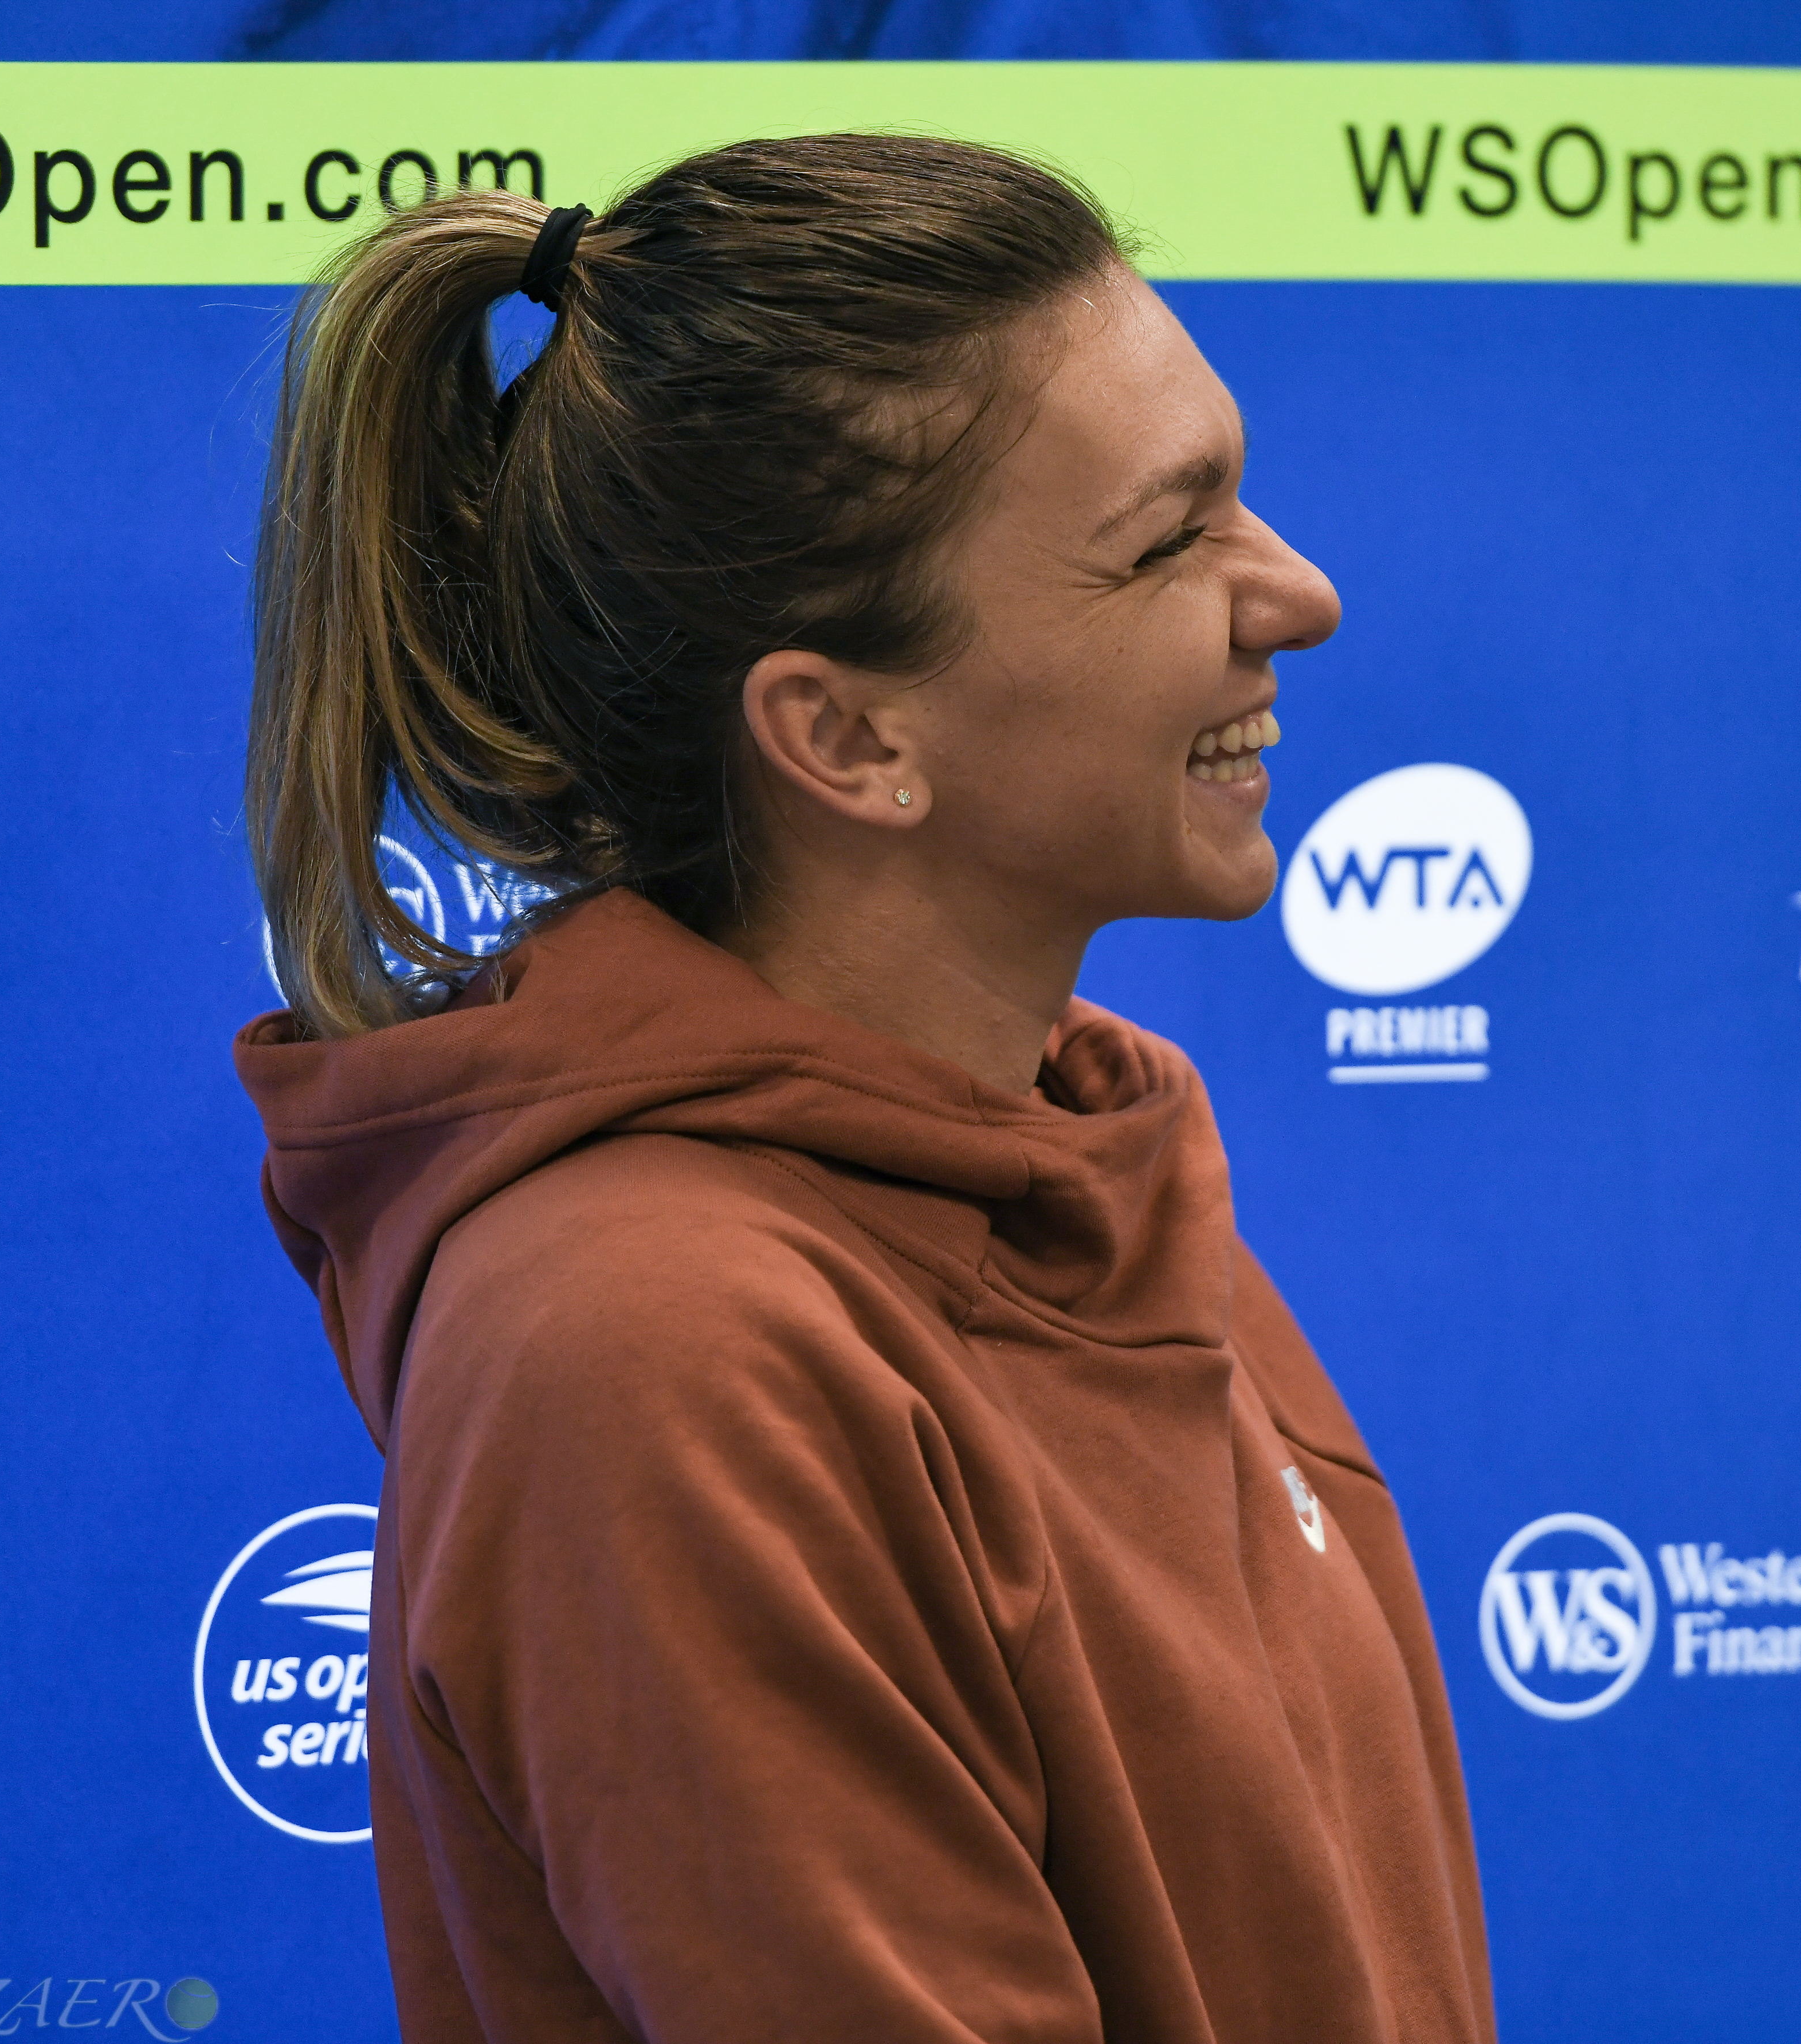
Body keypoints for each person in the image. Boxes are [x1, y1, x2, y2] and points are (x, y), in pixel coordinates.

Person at [234, 134, 1496, 2044]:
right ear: (846, 735)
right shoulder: (650, 1353)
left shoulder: (1089, 1162)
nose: (1298, 593)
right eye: (1171, 539)